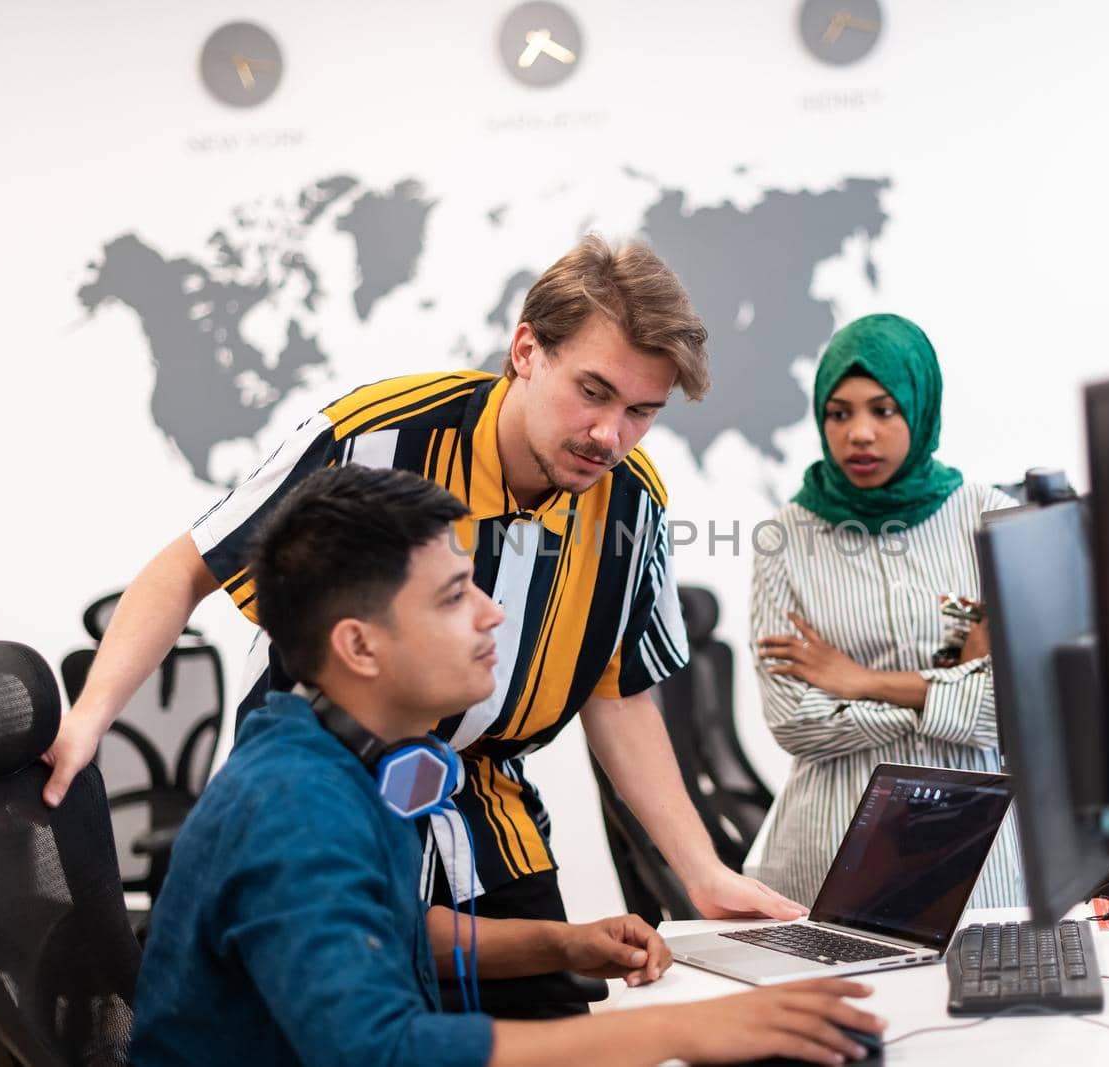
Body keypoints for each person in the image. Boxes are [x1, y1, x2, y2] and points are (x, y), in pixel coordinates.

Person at [44, 235, 803, 1011]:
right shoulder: (373, 439)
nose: (610, 435)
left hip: (486, 816)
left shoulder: (631, 498)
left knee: (557, 1016)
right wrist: (87, 723)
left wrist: (702, 872)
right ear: (527, 351)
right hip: (338, 796)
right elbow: (187, 567)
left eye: (641, 411)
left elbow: (616, 690)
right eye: (593, 391)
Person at [127, 465, 885, 1067]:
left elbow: (390, 928)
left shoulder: (335, 760)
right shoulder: (296, 804)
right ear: (360, 646)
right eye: (456, 595)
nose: (493, 613)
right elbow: (378, 1049)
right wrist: (684, 1030)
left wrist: (565, 943)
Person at [750, 313, 1025, 908]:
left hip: (977, 850)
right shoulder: (785, 538)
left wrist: (864, 681)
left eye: (884, 409)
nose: (860, 434)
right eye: (839, 413)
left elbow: (1021, 709)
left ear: (919, 407)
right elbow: (794, 721)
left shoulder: (992, 520)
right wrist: (950, 689)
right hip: (836, 843)